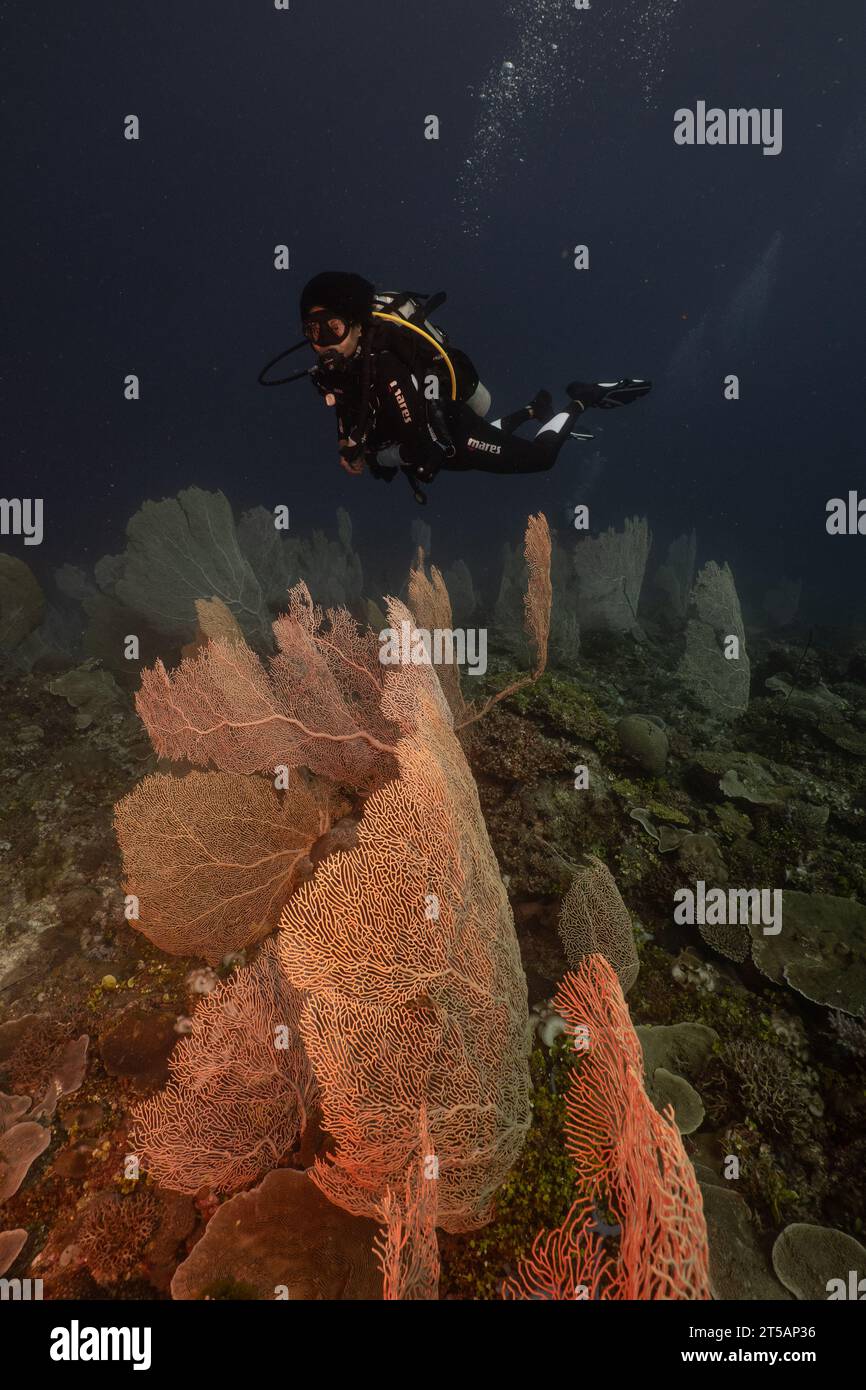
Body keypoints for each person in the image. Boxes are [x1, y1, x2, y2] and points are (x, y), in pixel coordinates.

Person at [298, 271, 651, 497]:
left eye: (333, 328)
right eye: (313, 332)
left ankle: (581, 399)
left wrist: (378, 456)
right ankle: (532, 410)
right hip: (439, 448)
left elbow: (418, 443)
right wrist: (350, 444)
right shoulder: (337, 371)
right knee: (479, 444)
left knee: (539, 458)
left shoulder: (385, 365)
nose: (324, 342)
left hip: (449, 430)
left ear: (358, 325)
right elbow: (352, 415)